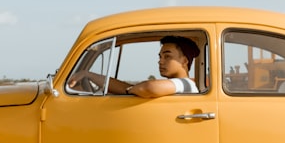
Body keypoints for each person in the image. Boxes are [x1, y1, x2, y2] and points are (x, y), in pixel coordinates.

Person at [68, 35, 200, 97]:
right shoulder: (177, 84)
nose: (160, 61)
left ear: (184, 61)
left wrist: (130, 90)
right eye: (160, 57)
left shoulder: (186, 84)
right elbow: (126, 88)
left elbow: (149, 87)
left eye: (167, 56)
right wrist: (87, 74)